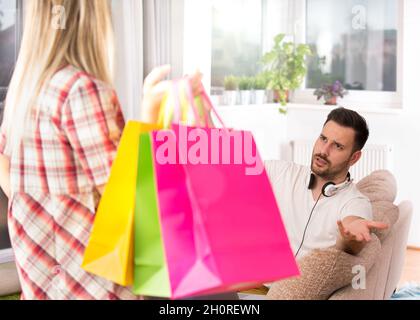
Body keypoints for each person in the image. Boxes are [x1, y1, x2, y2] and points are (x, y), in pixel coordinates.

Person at [0, 0, 201, 300]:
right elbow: (128, 203)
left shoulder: (22, 92)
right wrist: (151, 114)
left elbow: (9, 182)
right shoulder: (81, 90)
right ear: (92, 14)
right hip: (95, 290)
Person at [266, 107, 389, 260]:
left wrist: (351, 238)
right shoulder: (283, 172)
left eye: (337, 146)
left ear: (354, 158)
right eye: (323, 139)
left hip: (281, 283)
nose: (323, 151)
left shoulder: (355, 202)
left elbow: (353, 227)